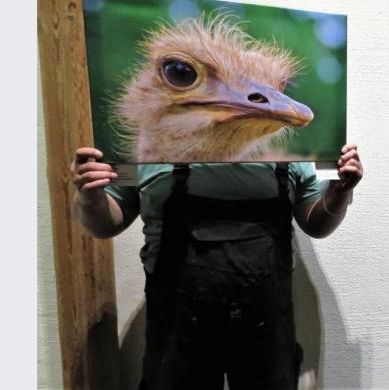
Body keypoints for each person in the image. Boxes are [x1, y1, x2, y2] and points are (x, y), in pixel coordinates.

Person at [71, 144, 363, 389]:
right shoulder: (144, 144)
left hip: (266, 327)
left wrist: (338, 194)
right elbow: (105, 224)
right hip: (177, 328)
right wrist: (90, 196)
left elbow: (315, 222)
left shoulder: (288, 144)